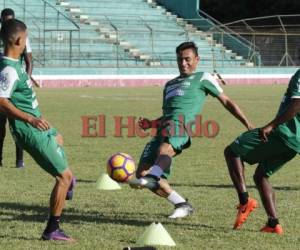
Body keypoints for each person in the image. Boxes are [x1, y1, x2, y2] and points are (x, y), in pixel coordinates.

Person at [129, 41, 253, 219]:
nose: (183, 63)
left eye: (187, 59)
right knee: (142, 174)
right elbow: (168, 114)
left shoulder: (203, 78)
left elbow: (227, 101)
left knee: (161, 156)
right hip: (163, 130)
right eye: (180, 60)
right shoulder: (169, 85)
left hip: (181, 127)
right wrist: (151, 124)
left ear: (197, 59)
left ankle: (155, 175)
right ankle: (182, 204)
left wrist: (248, 124)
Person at [0, 19, 75, 241]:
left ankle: (69, 184)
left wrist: (38, 118)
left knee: (58, 138)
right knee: (64, 177)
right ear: (19, 40)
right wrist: (30, 120)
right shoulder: (9, 70)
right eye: (27, 37)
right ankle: (53, 229)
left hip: (36, 124)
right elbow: (1, 101)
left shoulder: (15, 63)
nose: (27, 42)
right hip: (29, 130)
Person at [224, 70, 300, 234]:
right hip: (295, 143)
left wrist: (271, 125)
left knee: (231, 152)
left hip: (283, 134)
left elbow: (296, 104)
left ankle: (244, 201)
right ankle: (273, 224)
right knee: (261, 176)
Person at [0, 8, 37, 168]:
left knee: (17, 123)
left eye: (10, 20)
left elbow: (29, 61)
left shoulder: (20, 36)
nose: (7, 23)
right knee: (0, 126)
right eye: (4, 20)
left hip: (15, 85)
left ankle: (19, 161)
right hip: (2, 85)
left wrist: (26, 81)